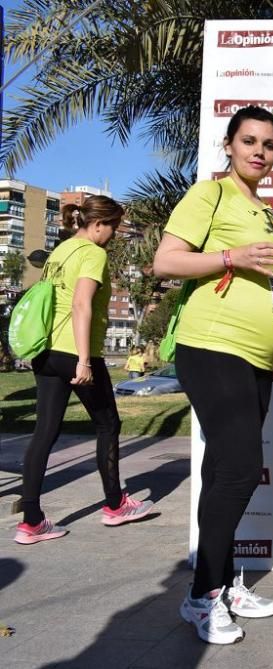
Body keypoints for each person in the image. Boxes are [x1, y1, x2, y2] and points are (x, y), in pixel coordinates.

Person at [153, 105, 273, 644]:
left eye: (269, 144)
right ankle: (202, 597)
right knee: (239, 471)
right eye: (250, 141)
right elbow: (166, 262)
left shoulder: (272, 214)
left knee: (221, 475)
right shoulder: (208, 195)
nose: (260, 151)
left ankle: (226, 581)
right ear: (229, 146)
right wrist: (231, 255)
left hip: (258, 361)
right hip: (213, 346)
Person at [15, 195, 154, 546]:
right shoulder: (93, 253)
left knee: (44, 432)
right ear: (97, 225)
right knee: (109, 423)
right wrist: (83, 359)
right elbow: (81, 303)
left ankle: (31, 521)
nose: (113, 235)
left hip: (46, 352)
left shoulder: (60, 251)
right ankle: (115, 505)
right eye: (113, 228)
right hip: (74, 351)